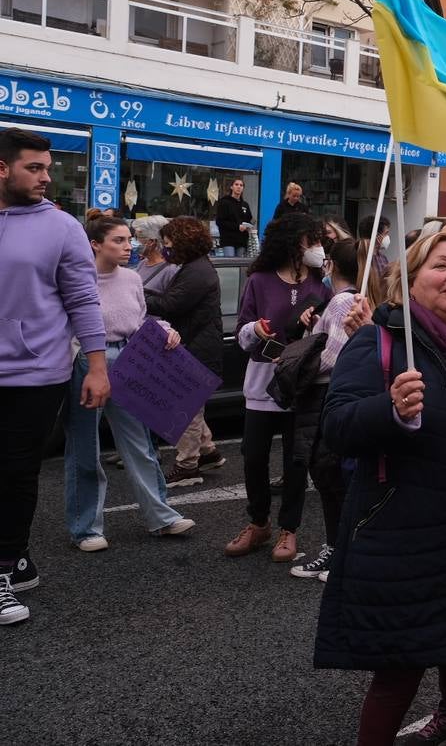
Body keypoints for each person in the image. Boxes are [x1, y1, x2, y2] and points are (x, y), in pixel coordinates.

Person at [315, 231, 446, 746]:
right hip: (411, 534)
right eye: (441, 265)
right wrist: (389, 410)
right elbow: (337, 427)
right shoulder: (381, 340)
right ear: (407, 281)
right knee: (400, 671)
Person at [0, 128, 109, 625]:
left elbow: (83, 300)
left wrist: (97, 366)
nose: (47, 177)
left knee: (15, 470)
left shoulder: (61, 227)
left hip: (34, 371)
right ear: (3, 169)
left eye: (48, 167)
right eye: (35, 168)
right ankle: (17, 561)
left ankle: (3, 568)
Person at [64, 217, 197, 551]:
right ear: (95, 244)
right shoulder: (76, 279)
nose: (129, 247)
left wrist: (164, 329)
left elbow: (138, 321)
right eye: (119, 241)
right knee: (85, 447)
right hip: (85, 360)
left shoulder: (132, 279)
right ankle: (86, 529)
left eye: (129, 240)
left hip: (129, 357)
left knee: (140, 443)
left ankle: (161, 516)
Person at [225, 213, 330, 562]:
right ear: (291, 242)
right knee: (253, 456)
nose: (316, 246)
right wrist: (256, 329)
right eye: (309, 239)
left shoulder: (321, 284)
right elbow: (242, 333)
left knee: (296, 462)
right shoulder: (259, 280)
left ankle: (289, 529)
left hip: (301, 385)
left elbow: (330, 334)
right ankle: (258, 523)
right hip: (262, 384)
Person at [289, 239, 378, 582]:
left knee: (330, 474)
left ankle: (338, 551)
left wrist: (302, 362)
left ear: (332, 267)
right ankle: (337, 549)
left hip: (326, 393)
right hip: (328, 395)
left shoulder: (343, 301)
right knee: (329, 475)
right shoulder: (343, 300)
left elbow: (337, 354)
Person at [147, 216, 227, 487]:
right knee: (192, 403)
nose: (166, 249)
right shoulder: (196, 267)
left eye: (168, 244)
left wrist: (137, 294)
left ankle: (187, 465)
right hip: (200, 343)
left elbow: (171, 304)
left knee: (187, 406)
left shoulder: (196, 272)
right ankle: (208, 451)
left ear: (183, 243)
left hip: (198, 346)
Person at [131, 215, 178, 301]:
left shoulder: (170, 269)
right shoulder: (143, 263)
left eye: (137, 237)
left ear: (151, 241)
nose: (132, 242)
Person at [215, 177, 254, 257]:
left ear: (243, 188)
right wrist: (237, 226)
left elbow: (249, 220)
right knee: (230, 264)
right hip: (228, 239)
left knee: (240, 265)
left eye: (241, 185)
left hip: (242, 240)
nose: (239, 187)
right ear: (231, 187)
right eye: (236, 184)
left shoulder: (245, 205)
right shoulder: (224, 202)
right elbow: (220, 222)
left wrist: (249, 226)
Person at [358, 214, 393, 278]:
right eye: (386, 233)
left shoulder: (383, 258)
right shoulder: (359, 258)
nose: (388, 237)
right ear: (377, 235)